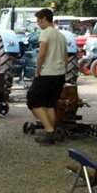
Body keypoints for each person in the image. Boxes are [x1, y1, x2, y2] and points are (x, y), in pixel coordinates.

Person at [27, 8, 67, 144]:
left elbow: (42, 53)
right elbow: (65, 56)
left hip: (47, 73)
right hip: (59, 74)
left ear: (44, 19)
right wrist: (64, 70)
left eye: (39, 21)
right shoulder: (61, 35)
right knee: (50, 104)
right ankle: (52, 130)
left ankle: (49, 131)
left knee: (33, 101)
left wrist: (37, 71)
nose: (38, 24)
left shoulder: (45, 33)